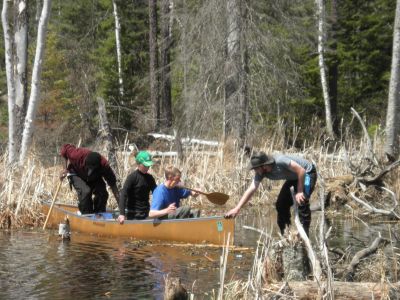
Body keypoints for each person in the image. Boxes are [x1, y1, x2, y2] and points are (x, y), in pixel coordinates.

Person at [225, 151, 317, 236]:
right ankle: (286, 233)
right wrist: (237, 208)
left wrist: (300, 191)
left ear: (263, 166)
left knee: (302, 201)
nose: (255, 171)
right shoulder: (261, 173)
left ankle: (304, 235)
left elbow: (301, 171)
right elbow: (252, 188)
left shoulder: (280, 161)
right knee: (280, 205)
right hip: (293, 178)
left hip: (307, 173)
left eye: (256, 169)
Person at [60, 144, 120, 215]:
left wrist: (121, 208)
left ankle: (99, 214)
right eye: (88, 168)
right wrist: (65, 168)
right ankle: (86, 214)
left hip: (94, 177)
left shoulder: (104, 166)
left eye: (92, 170)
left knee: (102, 193)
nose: (89, 172)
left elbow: (113, 186)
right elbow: (64, 149)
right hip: (76, 173)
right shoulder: (77, 154)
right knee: (85, 192)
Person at [117, 151, 157, 224]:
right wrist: (122, 214)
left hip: (146, 212)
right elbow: (123, 194)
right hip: (133, 214)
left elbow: (157, 193)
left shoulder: (150, 178)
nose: (147, 167)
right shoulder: (132, 177)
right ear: (138, 164)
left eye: (148, 166)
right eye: (145, 165)